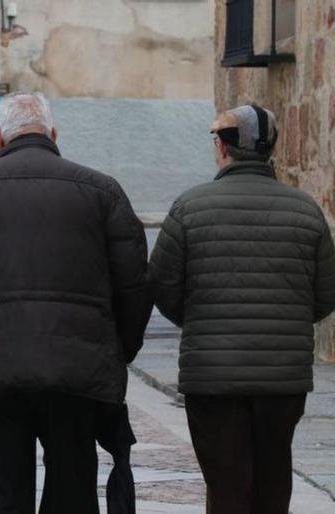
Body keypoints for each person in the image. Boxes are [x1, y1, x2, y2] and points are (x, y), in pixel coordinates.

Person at [0, 93, 149, 514]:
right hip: (76, 366)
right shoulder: (102, 191)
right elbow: (133, 285)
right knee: (73, 485)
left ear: (0, 135)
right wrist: (117, 351)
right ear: (53, 134)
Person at [149, 104, 335, 514]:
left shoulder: (189, 208)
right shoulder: (305, 211)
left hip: (212, 376)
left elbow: (162, 286)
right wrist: (285, 324)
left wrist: (200, 322)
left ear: (222, 148)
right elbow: (324, 293)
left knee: (225, 481)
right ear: (271, 150)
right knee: (273, 476)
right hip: (282, 376)